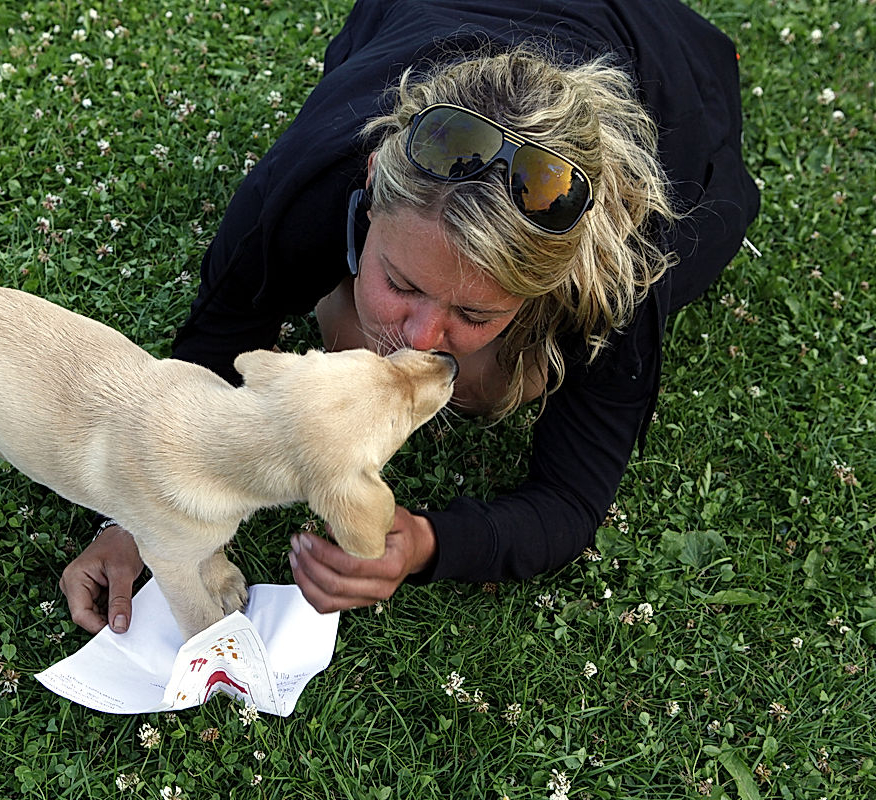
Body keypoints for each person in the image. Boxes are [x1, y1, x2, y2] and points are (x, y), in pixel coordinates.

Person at [60, 0, 760, 634]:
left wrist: (427, 542)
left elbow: (570, 502)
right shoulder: (308, 182)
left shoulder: (623, 276)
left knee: (487, 380)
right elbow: (215, 342)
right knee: (352, 335)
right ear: (369, 186)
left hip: (646, 33)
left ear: (546, 288)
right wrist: (135, 520)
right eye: (401, 280)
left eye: (474, 310)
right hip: (423, 15)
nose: (419, 338)